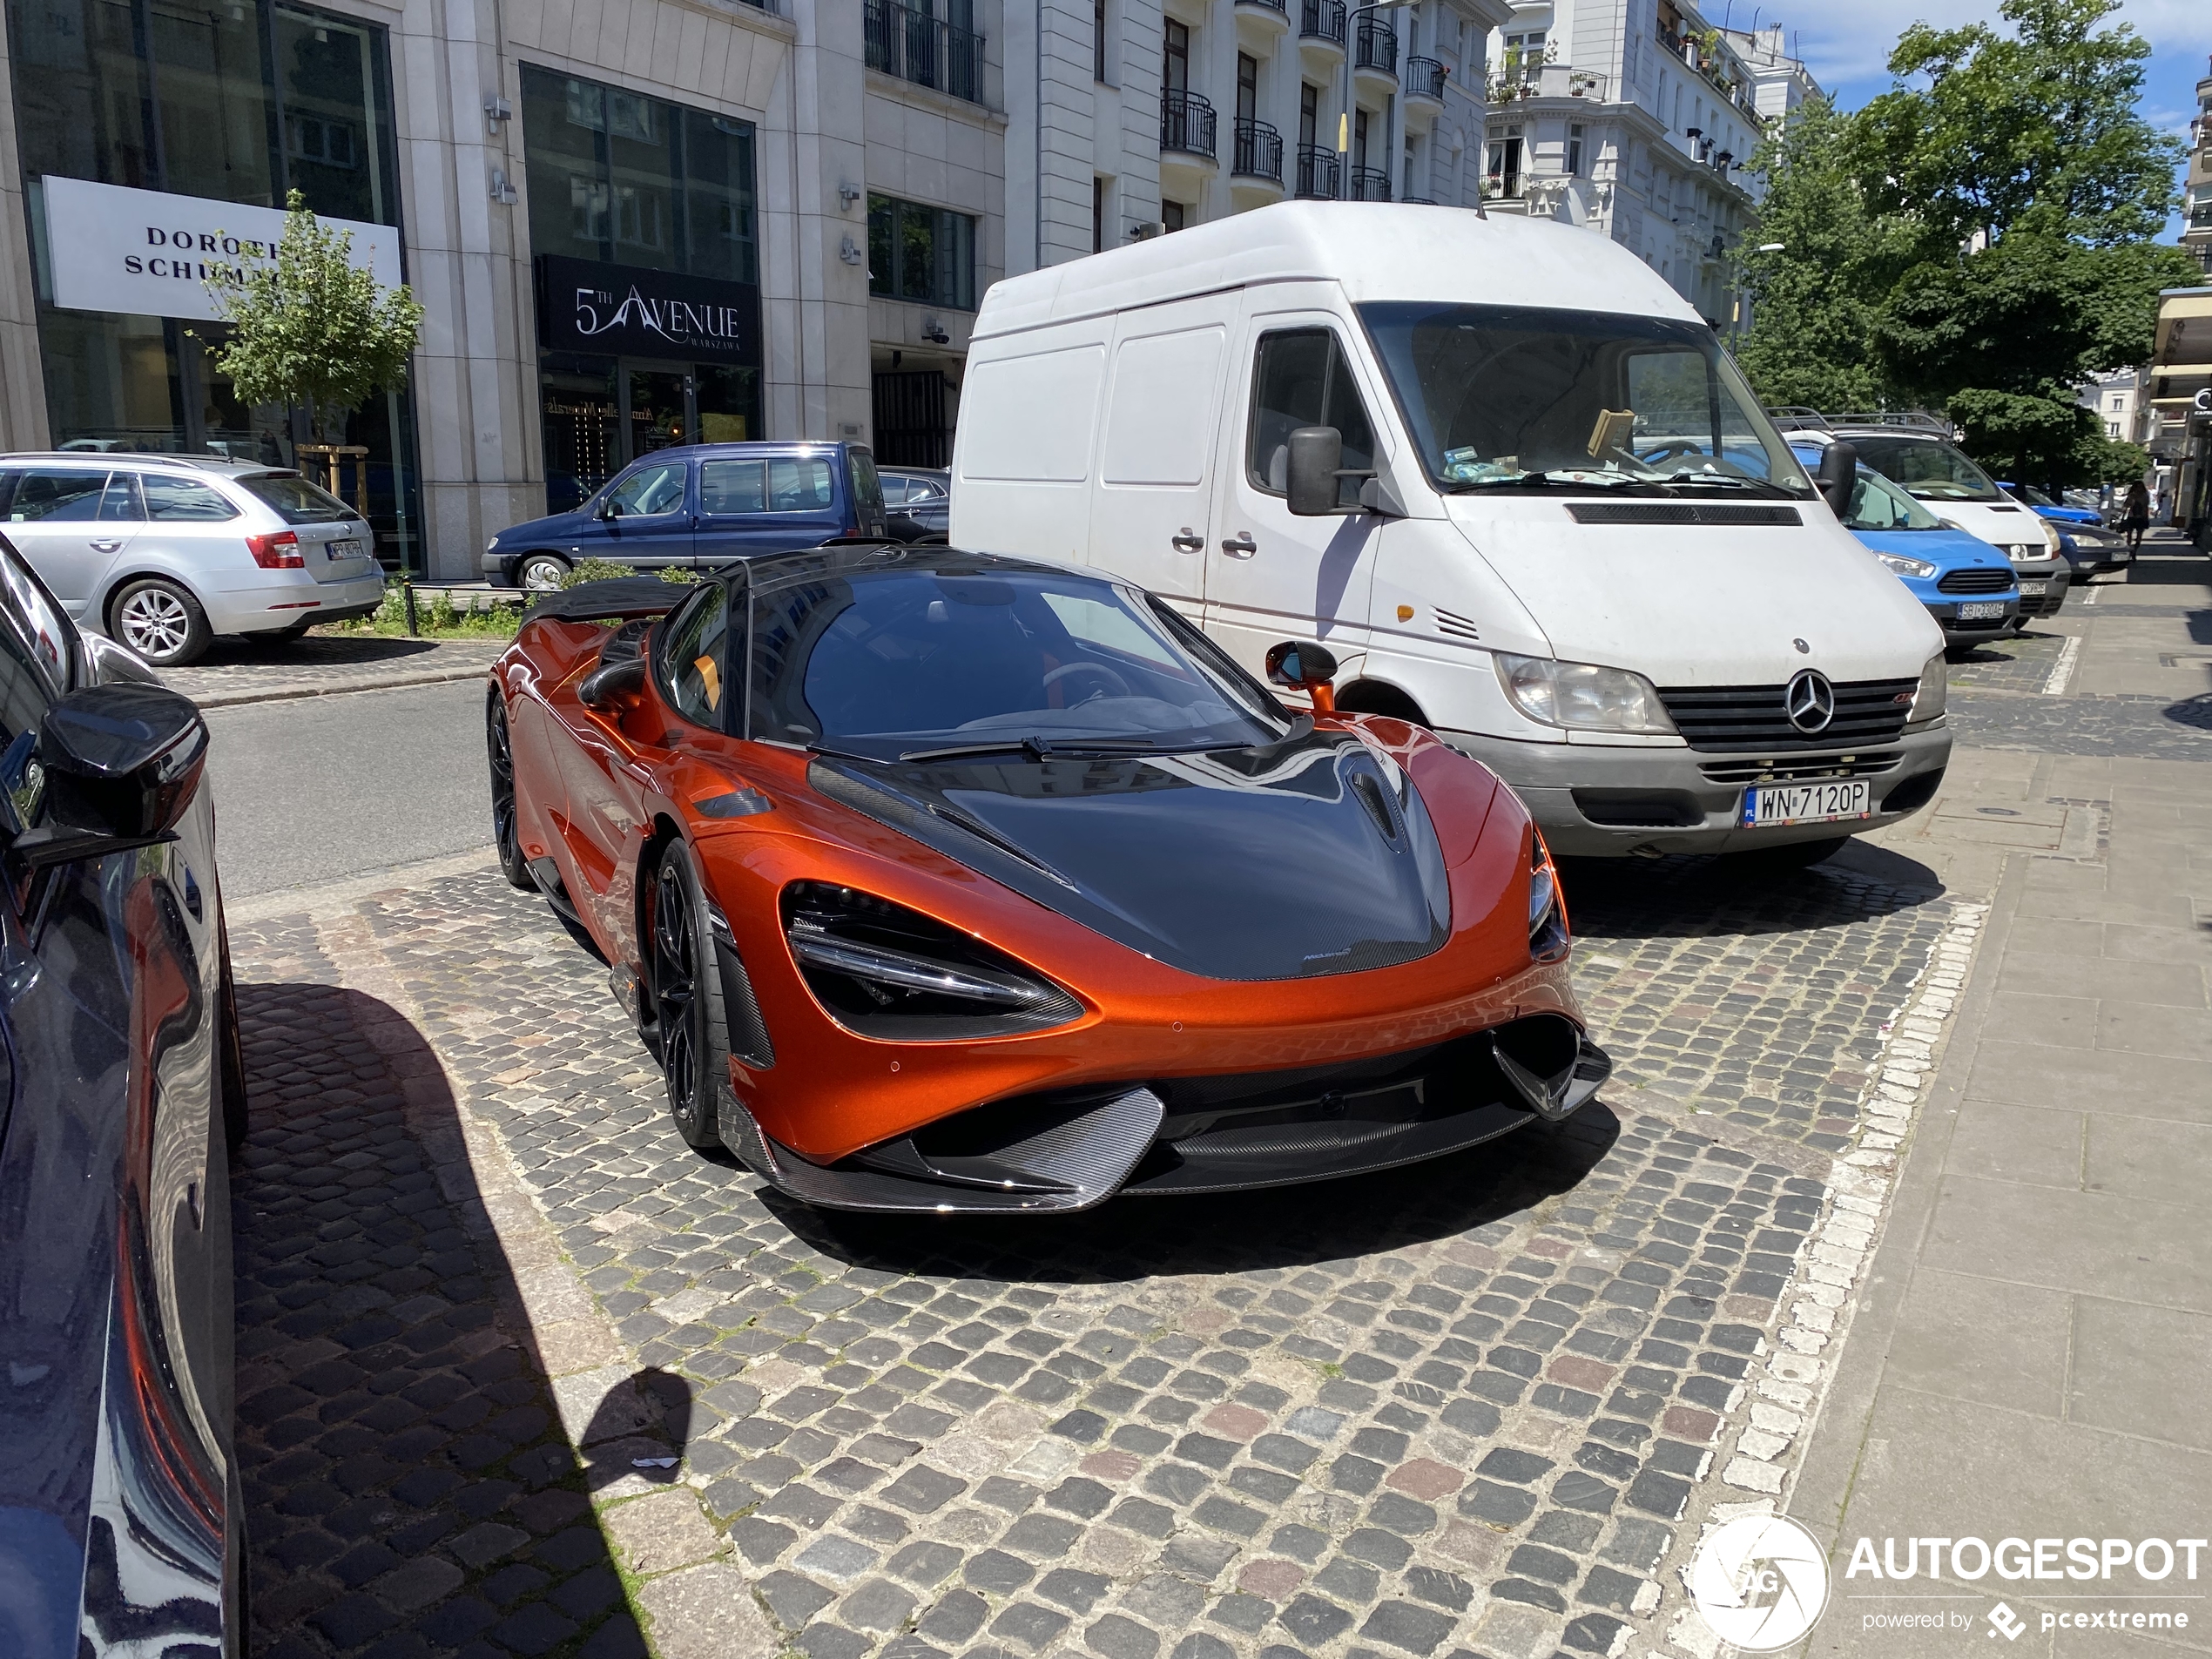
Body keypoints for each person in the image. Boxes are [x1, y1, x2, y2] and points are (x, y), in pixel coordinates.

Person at [2121, 479, 2150, 551]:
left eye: (2140, 487)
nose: (2138, 489)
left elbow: (2145, 507)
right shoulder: (2132, 495)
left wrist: (2146, 517)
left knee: (2139, 534)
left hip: (2141, 517)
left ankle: (2135, 548)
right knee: (2129, 533)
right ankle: (2129, 547)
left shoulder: (2144, 496)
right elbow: (2126, 505)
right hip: (2132, 516)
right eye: (2137, 487)